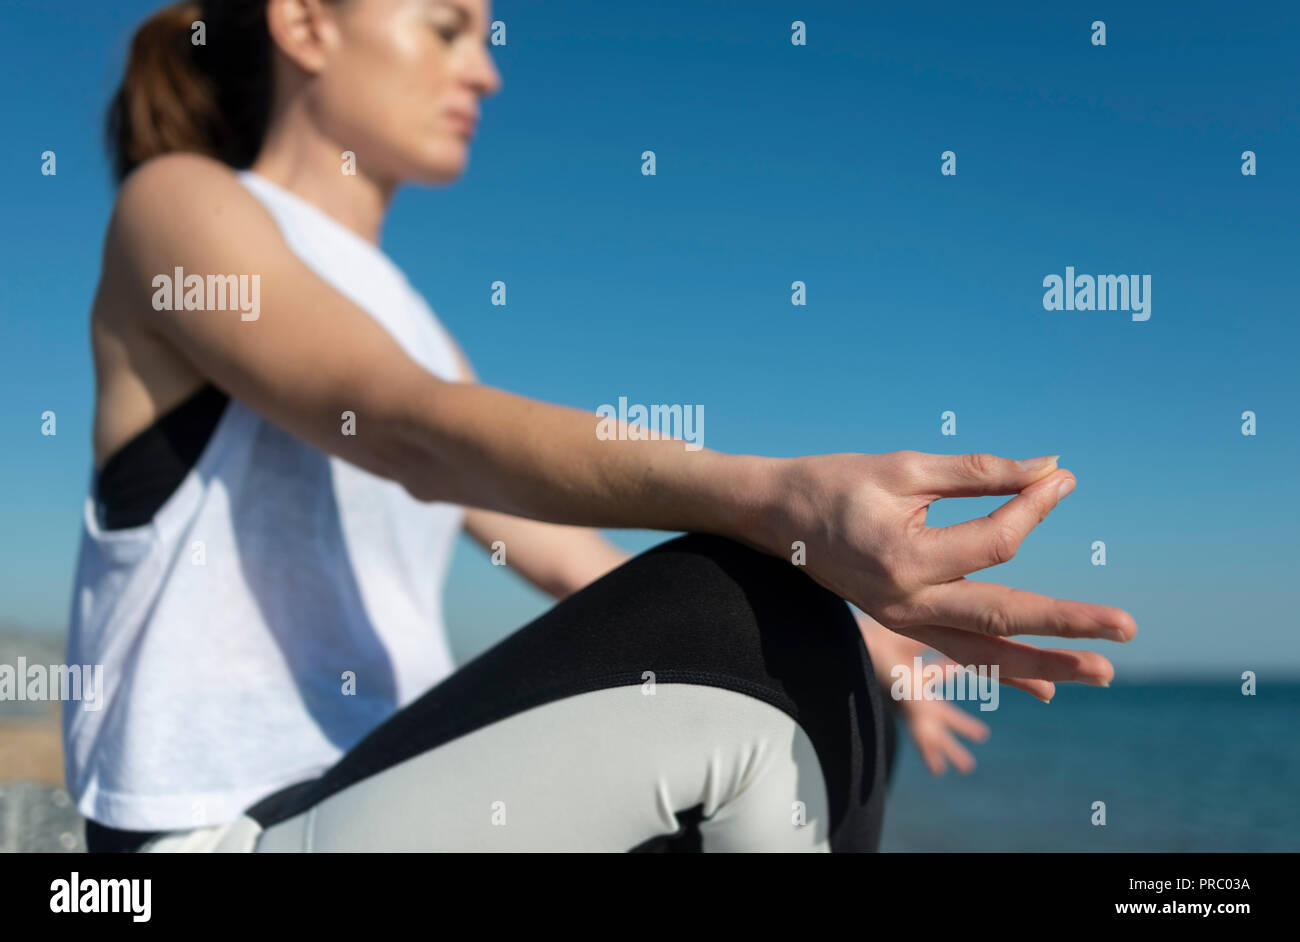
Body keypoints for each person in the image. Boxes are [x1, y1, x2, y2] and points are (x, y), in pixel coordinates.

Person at [68, 0, 1135, 853]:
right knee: (751, 617)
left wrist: (860, 625)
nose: (485, 72)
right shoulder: (180, 202)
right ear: (305, 24)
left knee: (817, 653)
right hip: (214, 830)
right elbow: (409, 429)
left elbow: (558, 552)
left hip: (370, 789)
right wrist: (778, 501)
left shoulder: (416, 326)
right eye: (447, 27)